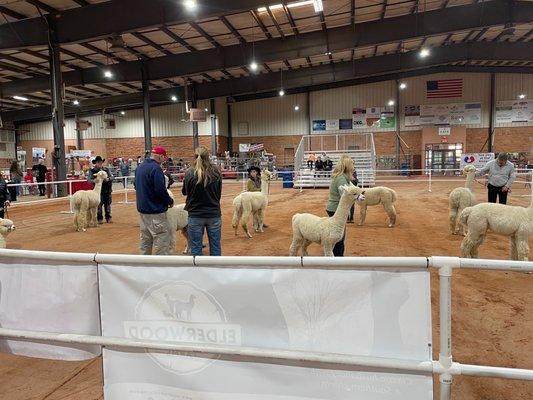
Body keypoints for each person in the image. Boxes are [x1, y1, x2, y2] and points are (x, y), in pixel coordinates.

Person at [182, 146, 223, 256]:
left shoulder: (189, 172)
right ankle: (215, 269)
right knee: (215, 246)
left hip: (195, 215)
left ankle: (197, 272)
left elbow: (185, 192)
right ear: (208, 157)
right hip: (213, 214)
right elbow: (218, 194)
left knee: (195, 247)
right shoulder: (216, 172)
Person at [135, 146, 175, 255]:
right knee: (161, 242)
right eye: (164, 157)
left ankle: (145, 267)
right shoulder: (156, 169)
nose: (164, 160)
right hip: (155, 212)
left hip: (143, 211)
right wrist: (169, 201)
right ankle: (161, 269)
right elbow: (160, 190)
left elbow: (136, 186)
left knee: (145, 242)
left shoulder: (140, 167)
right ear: (160, 156)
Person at [326, 154, 355, 256]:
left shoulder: (343, 177)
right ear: (347, 165)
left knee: (337, 235)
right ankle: (338, 258)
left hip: (335, 208)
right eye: (352, 163)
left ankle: (334, 255)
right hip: (336, 209)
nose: (353, 165)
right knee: (339, 237)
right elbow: (345, 194)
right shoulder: (341, 178)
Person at [88, 156, 114, 224]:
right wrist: (94, 180)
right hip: (98, 192)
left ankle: (108, 217)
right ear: (95, 163)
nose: (100, 163)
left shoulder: (106, 169)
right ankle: (99, 218)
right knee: (99, 205)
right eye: (98, 162)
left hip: (107, 190)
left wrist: (108, 179)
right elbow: (89, 180)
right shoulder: (92, 171)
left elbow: (112, 177)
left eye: (101, 162)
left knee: (108, 205)